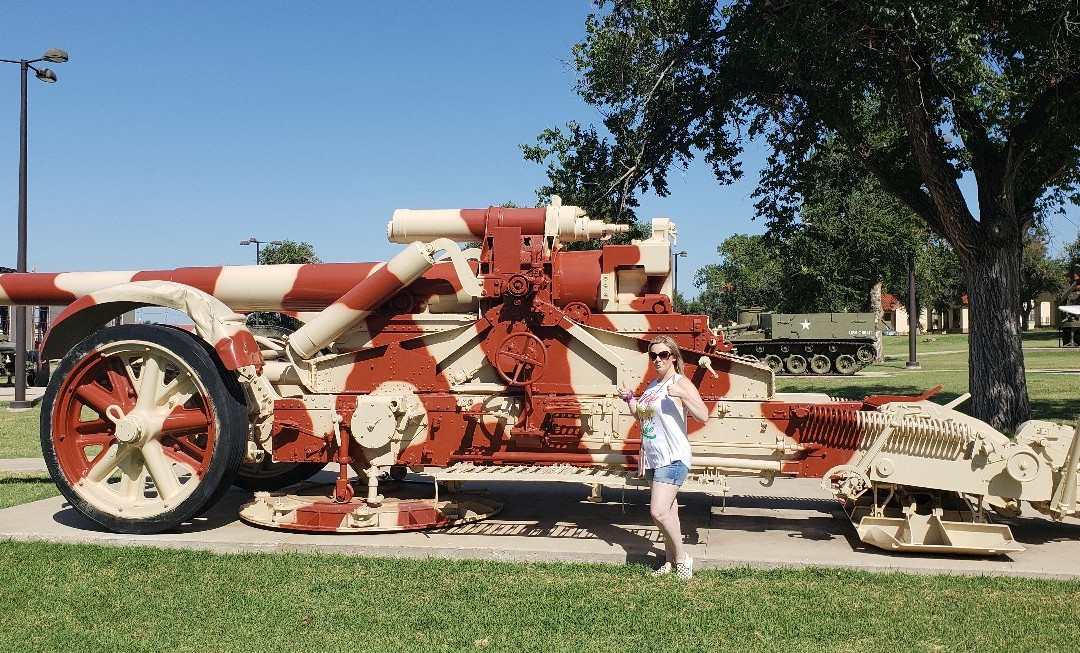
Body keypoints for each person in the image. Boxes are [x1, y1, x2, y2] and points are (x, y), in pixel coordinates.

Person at [619, 335, 709, 579]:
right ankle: (668, 563)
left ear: (674, 358)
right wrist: (630, 399)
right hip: (652, 457)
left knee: (658, 512)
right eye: (653, 355)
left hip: (673, 456)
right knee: (670, 514)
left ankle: (682, 558)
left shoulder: (681, 382)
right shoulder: (653, 384)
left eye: (663, 355)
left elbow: (703, 415)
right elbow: (642, 416)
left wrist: (683, 394)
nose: (657, 359)